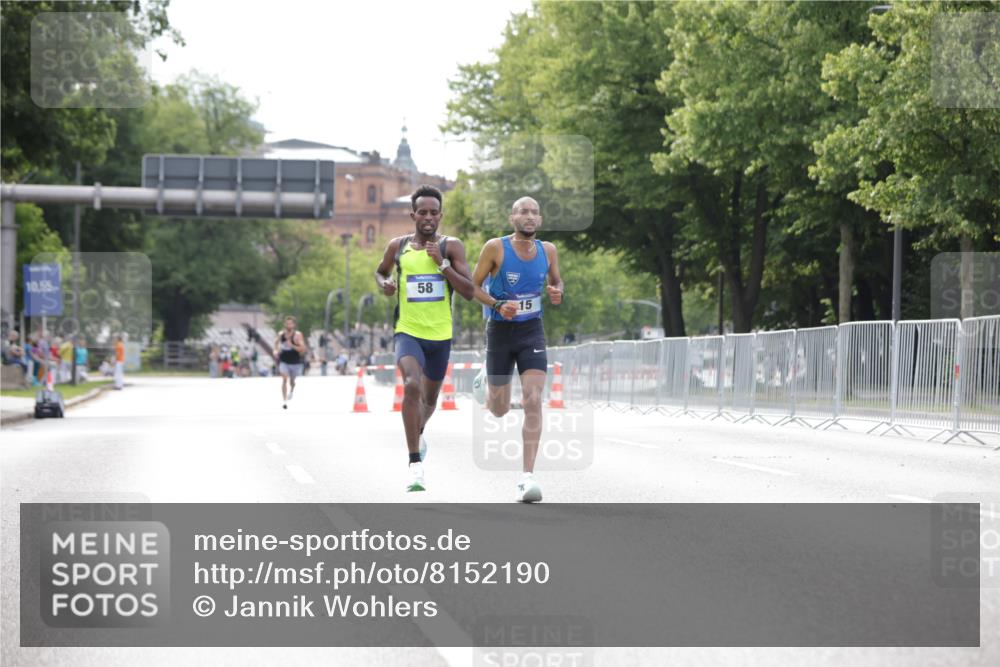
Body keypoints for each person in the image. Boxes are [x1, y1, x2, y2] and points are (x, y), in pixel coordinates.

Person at [374, 184, 475, 492]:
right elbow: (379, 272)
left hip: (440, 336)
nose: (428, 217)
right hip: (408, 331)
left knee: (430, 400)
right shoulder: (397, 246)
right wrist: (386, 284)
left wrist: (442, 266)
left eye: (433, 212)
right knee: (412, 386)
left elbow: (470, 292)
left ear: (440, 215)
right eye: (422, 212)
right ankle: (415, 463)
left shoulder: (451, 247)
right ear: (413, 215)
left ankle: (417, 432)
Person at [470, 196, 563, 503]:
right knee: (498, 409)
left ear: (540, 219)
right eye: (523, 211)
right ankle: (486, 378)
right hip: (500, 330)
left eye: (534, 212)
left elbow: (557, 282)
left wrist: (556, 291)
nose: (529, 216)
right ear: (512, 217)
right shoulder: (495, 247)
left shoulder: (548, 251)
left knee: (534, 399)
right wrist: (497, 304)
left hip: (531, 331)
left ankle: (527, 478)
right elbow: (472, 286)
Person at [273, 315, 306, 409]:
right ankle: (284, 401)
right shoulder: (281, 334)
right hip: (284, 360)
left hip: (295, 361)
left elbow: (303, 348)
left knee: (292, 381)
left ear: (294, 325)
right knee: (284, 379)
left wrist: (292, 345)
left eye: (291, 323)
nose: (289, 325)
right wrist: (275, 351)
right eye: (287, 323)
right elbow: (276, 343)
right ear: (284, 324)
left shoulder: (298, 335)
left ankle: (291, 390)